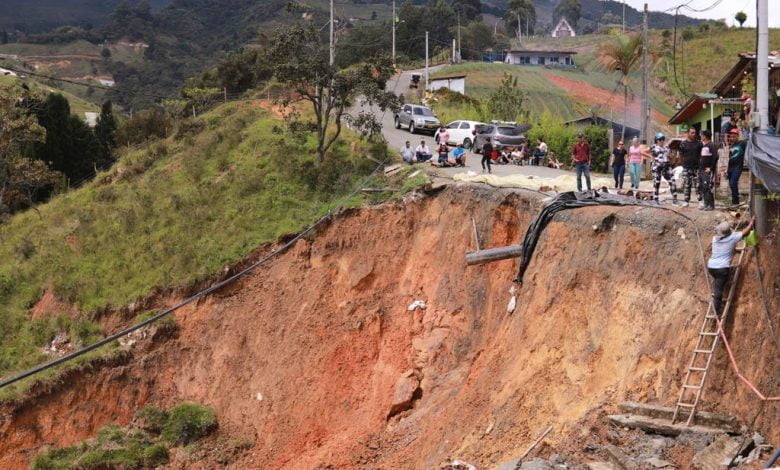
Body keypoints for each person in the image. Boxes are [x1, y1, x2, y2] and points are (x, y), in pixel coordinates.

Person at [707, 217, 755, 314]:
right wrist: (751, 223)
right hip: (722, 269)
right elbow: (746, 232)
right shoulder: (733, 238)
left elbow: (726, 248)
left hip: (711, 267)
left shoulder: (715, 239)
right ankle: (716, 310)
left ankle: (716, 292)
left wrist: (735, 250)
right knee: (719, 290)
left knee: (718, 283)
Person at [650, 133, 677, 204]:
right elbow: (643, 151)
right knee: (657, 182)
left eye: (663, 139)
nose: (662, 141)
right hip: (657, 167)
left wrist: (671, 156)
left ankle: (674, 198)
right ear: (657, 140)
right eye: (660, 139)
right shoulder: (653, 147)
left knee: (672, 181)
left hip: (666, 166)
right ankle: (656, 198)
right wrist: (652, 157)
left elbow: (671, 156)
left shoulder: (667, 147)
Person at [678, 127, 703, 208]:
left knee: (698, 185)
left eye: (694, 133)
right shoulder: (683, 144)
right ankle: (686, 202)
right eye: (692, 133)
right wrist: (683, 164)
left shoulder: (699, 143)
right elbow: (680, 155)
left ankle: (700, 201)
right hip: (686, 167)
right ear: (688, 133)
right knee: (686, 185)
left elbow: (702, 154)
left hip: (696, 167)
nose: (693, 134)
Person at [726, 127, 746, 206]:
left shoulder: (743, 143)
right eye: (731, 136)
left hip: (737, 167)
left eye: (734, 136)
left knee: (733, 183)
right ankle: (734, 201)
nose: (732, 138)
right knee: (731, 184)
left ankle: (735, 202)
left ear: (738, 136)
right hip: (730, 167)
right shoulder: (731, 145)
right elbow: (729, 157)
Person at [699, 129, 718, 211]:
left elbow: (716, 157)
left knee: (708, 186)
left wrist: (711, 168)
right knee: (703, 187)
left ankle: (711, 205)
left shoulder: (711, 145)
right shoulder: (704, 145)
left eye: (702, 135)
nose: (701, 136)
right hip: (702, 170)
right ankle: (706, 204)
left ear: (705, 136)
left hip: (708, 170)